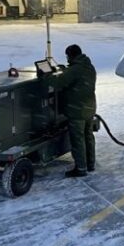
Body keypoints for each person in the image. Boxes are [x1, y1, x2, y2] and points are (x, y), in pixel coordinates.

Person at [47, 44, 97, 177]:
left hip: (77, 111)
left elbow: (58, 83)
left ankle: (80, 168)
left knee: (78, 140)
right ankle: (90, 164)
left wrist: (45, 76)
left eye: (67, 56)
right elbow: (77, 78)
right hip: (89, 108)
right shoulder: (88, 66)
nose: (67, 59)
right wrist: (66, 70)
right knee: (88, 136)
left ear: (71, 56)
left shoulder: (75, 70)